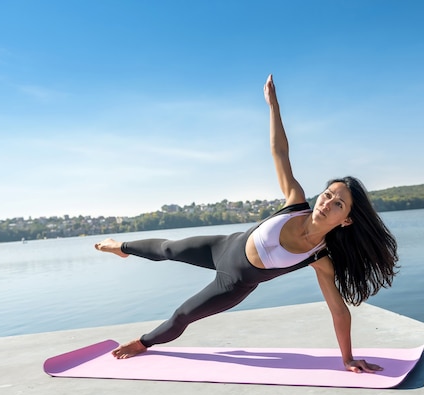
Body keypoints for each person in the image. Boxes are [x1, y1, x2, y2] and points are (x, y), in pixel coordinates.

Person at [95, 74, 398, 373]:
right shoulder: (295, 203)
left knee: (183, 314)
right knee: (168, 248)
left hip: (233, 284)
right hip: (223, 246)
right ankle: (121, 247)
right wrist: (273, 107)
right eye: (328, 194)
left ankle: (143, 343)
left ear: (346, 220)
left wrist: (347, 358)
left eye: (338, 204)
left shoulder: (318, 258)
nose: (327, 203)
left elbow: (338, 311)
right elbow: (280, 151)